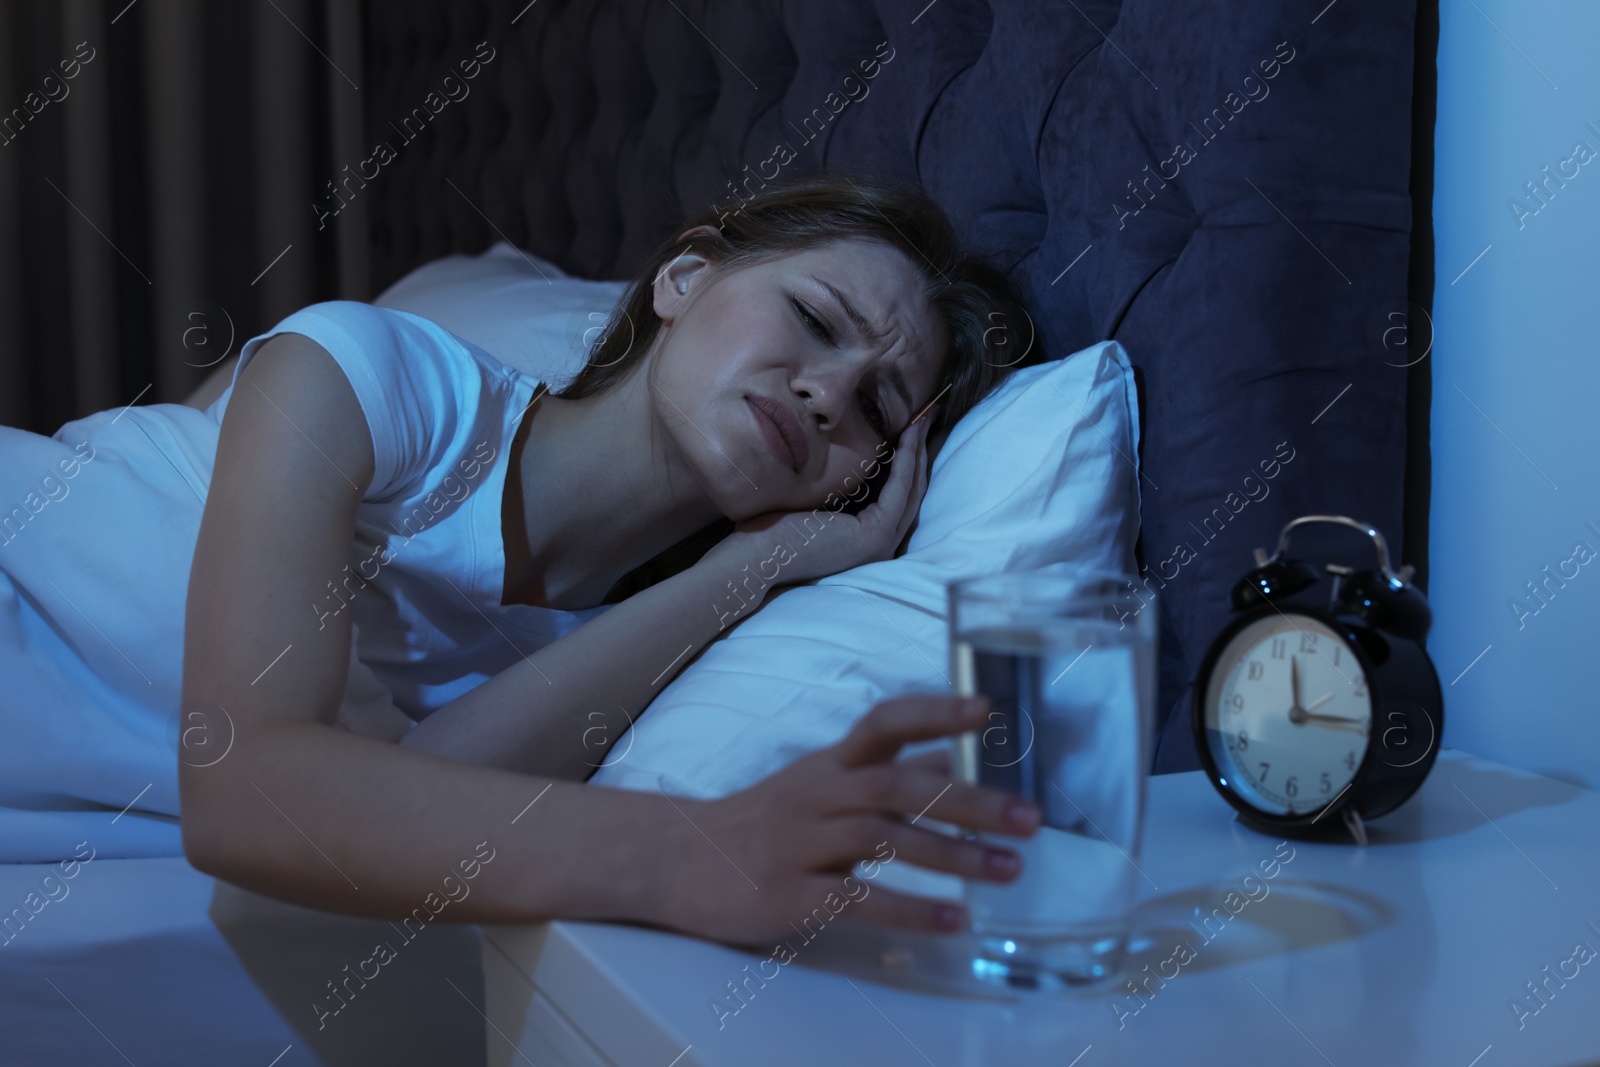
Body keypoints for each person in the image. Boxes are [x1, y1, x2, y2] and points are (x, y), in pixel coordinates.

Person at [0, 174, 1040, 946]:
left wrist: (757, 567)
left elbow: (372, 814)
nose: (826, 392)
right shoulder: (366, 370)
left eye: (875, 407)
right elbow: (252, 792)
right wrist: (695, 851)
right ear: (682, 277)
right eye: (814, 319)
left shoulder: (643, 651)